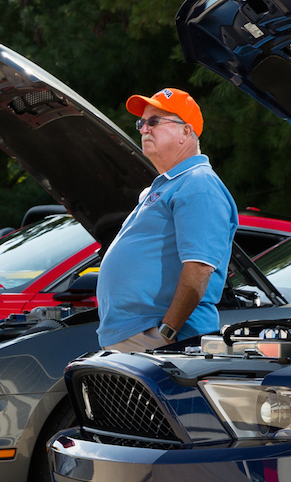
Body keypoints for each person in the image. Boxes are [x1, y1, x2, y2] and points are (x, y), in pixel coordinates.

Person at [96, 88, 238, 352]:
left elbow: (199, 267)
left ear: (186, 131)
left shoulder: (199, 183)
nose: (144, 129)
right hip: (141, 336)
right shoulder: (170, 185)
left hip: (165, 339)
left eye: (154, 121)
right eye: (141, 123)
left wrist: (167, 331)